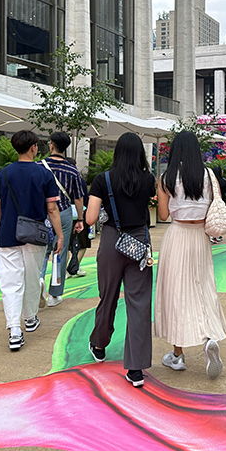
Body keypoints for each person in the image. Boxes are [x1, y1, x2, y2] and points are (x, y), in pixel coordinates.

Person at [154, 131, 226, 378]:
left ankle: (178, 355)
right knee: (202, 287)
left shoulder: (166, 177)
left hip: (178, 236)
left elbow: (163, 216)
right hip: (200, 238)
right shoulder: (208, 175)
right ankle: (208, 338)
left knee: (178, 293)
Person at [85, 133, 156, 387]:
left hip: (112, 241)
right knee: (139, 303)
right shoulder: (148, 179)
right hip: (139, 242)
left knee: (108, 296)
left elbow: (91, 219)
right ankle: (135, 369)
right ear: (139, 153)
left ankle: (99, 345)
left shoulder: (102, 180)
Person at [0, 130, 63, 351]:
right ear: (33, 148)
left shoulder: (3, 174)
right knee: (32, 278)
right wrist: (59, 235)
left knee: (10, 283)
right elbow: (52, 209)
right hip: (35, 236)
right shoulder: (44, 175)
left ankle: (14, 331)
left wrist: (8, 224)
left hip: (7, 237)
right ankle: (30, 318)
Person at [39, 132, 86, 307]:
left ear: (51, 145)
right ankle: (55, 294)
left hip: (43, 212)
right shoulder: (72, 170)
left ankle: (39, 282)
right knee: (60, 251)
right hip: (64, 212)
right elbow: (79, 198)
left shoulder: (39, 166)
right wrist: (80, 218)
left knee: (42, 250)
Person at [209, 165, 226, 244]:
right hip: (222, 203)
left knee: (213, 220)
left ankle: (213, 236)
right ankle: (217, 235)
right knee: (220, 220)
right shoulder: (224, 182)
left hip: (212, 203)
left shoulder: (211, 183)